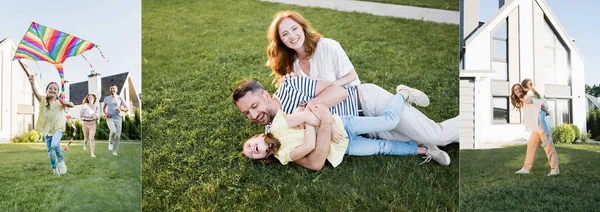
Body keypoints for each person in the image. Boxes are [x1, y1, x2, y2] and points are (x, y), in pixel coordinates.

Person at [233, 78, 457, 169]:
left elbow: (339, 91)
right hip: (366, 135)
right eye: (246, 114)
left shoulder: (291, 84)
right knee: (418, 140)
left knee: (437, 135)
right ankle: (428, 148)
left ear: (264, 94)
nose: (253, 115)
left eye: (253, 106)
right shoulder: (272, 138)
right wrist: (325, 125)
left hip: (367, 102)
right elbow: (314, 162)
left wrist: (306, 108)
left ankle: (403, 95)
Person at [267, 10, 360, 87]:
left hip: (352, 100)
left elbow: (352, 76)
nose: (291, 35)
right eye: (285, 34)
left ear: (302, 28)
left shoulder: (328, 46)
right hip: (321, 106)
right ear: (281, 40)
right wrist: (290, 84)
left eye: (294, 28)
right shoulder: (289, 63)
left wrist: (325, 86)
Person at [28, 75, 74, 176]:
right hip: (48, 130)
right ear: (47, 90)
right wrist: (32, 83)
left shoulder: (59, 102)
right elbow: (36, 93)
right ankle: (54, 168)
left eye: (55, 89)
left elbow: (72, 105)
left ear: (57, 92)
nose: (52, 90)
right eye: (50, 88)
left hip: (58, 128)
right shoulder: (43, 100)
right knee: (50, 153)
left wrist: (66, 103)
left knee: (54, 145)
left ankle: (61, 162)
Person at [510, 83, 559, 176]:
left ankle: (555, 169)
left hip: (541, 126)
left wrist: (547, 112)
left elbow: (540, 104)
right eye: (515, 90)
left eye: (519, 88)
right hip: (535, 127)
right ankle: (526, 168)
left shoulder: (528, 96)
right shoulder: (522, 100)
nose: (518, 91)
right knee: (531, 147)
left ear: (522, 88)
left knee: (549, 148)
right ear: (514, 93)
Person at [521, 78, 552, 147]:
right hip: (541, 108)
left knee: (541, 119)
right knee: (539, 120)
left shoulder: (530, 92)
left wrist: (521, 99)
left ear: (525, 88)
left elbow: (529, 101)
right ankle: (545, 136)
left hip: (542, 108)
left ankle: (548, 135)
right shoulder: (533, 90)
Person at [103, 84, 128, 156]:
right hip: (109, 118)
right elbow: (104, 108)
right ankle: (110, 142)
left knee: (117, 136)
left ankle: (115, 151)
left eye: (113, 88)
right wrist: (105, 114)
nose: (112, 90)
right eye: (111, 89)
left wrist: (120, 109)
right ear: (110, 90)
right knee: (113, 131)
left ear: (117, 90)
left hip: (118, 118)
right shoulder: (106, 98)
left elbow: (127, 108)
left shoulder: (120, 98)